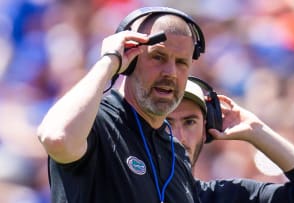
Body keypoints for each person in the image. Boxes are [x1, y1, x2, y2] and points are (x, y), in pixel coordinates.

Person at [37, 7, 206, 203]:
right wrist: (109, 60)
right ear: (130, 57)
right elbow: (56, 137)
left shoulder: (175, 153)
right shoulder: (96, 121)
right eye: (158, 57)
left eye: (181, 62)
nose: (171, 72)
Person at [166, 79, 294, 202]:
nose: (178, 137)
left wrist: (256, 130)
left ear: (206, 131)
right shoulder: (137, 191)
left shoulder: (225, 196)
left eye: (190, 122)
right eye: (166, 123)